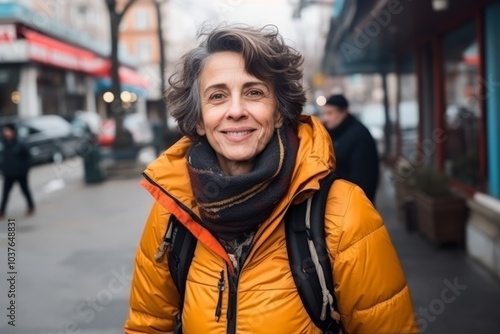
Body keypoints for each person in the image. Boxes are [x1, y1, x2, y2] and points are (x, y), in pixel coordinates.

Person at [124, 26, 418, 333]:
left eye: (254, 92)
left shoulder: (343, 211)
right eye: (217, 96)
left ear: (278, 112)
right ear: (198, 120)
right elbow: (147, 326)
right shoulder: (171, 213)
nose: (236, 111)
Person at [320, 94, 380, 203]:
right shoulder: (334, 132)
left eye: (330, 113)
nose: (326, 118)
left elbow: (363, 178)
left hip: (355, 205)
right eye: (324, 113)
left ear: (344, 112)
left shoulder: (359, 135)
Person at [0, 123, 35, 217]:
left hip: (20, 173)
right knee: (5, 193)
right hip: (8, 174)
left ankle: (31, 207)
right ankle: (2, 210)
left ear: (12, 132)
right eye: (4, 131)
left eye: (7, 131)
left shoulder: (20, 144)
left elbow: (28, 158)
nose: (5, 133)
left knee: (25, 190)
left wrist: (24, 170)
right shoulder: (3, 145)